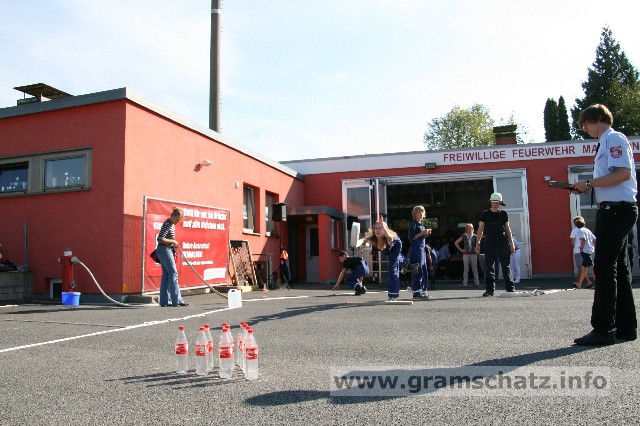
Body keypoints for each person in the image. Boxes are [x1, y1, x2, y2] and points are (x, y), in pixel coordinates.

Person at [571, 104, 638, 345]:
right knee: (618, 268)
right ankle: (625, 327)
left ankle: (603, 328)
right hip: (615, 210)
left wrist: (589, 184)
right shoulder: (606, 142)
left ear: (598, 118)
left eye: (586, 124)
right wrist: (588, 186)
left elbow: (623, 173)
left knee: (604, 266)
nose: (585, 129)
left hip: (616, 210)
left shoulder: (614, 138)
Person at [475, 193, 515, 296]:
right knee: (489, 267)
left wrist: (512, 243)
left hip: (502, 242)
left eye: (497, 203)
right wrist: (477, 243)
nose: (495, 204)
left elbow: (507, 229)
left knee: (506, 266)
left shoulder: (503, 214)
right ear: (491, 202)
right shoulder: (485, 214)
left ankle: (510, 288)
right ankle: (489, 290)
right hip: (490, 242)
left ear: (500, 203)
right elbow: (480, 229)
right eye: (493, 202)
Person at [156, 206, 188, 307]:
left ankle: (164, 301)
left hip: (164, 250)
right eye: (177, 219)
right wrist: (173, 241)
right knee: (173, 273)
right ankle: (177, 300)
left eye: (179, 220)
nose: (177, 222)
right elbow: (160, 238)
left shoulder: (171, 224)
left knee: (166, 275)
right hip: (164, 250)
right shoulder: (168, 224)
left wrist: (173, 244)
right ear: (172, 216)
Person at [365, 220, 403, 301]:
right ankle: (404, 262)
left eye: (380, 228)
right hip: (388, 251)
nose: (377, 230)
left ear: (385, 229)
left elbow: (390, 238)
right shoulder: (373, 239)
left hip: (395, 246)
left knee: (392, 269)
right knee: (395, 260)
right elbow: (365, 241)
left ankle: (393, 295)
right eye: (376, 228)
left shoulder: (388, 237)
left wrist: (384, 226)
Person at [408, 206, 432, 299]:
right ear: (414, 214)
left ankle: (423, 290)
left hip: (422, 249)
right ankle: (417, 292)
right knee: (417, 269)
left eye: (422, 211)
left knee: (423, 270)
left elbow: (420, 237)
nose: (421, 213)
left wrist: (426, 234)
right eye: (418, 212)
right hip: (416, 250)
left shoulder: (421, 225)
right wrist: (423, 233)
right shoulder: (413, 224)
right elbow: (411, 238)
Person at [570, 216, 595, 289]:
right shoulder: (587, 230)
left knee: (588, 267)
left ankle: (592, 282)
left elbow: (583, 239)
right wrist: (592, 247)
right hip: (588, 250)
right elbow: (594, 239)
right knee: (583, 268)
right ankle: (579, 283)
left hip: (581, 251)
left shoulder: (577, 230)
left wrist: (580, 248)